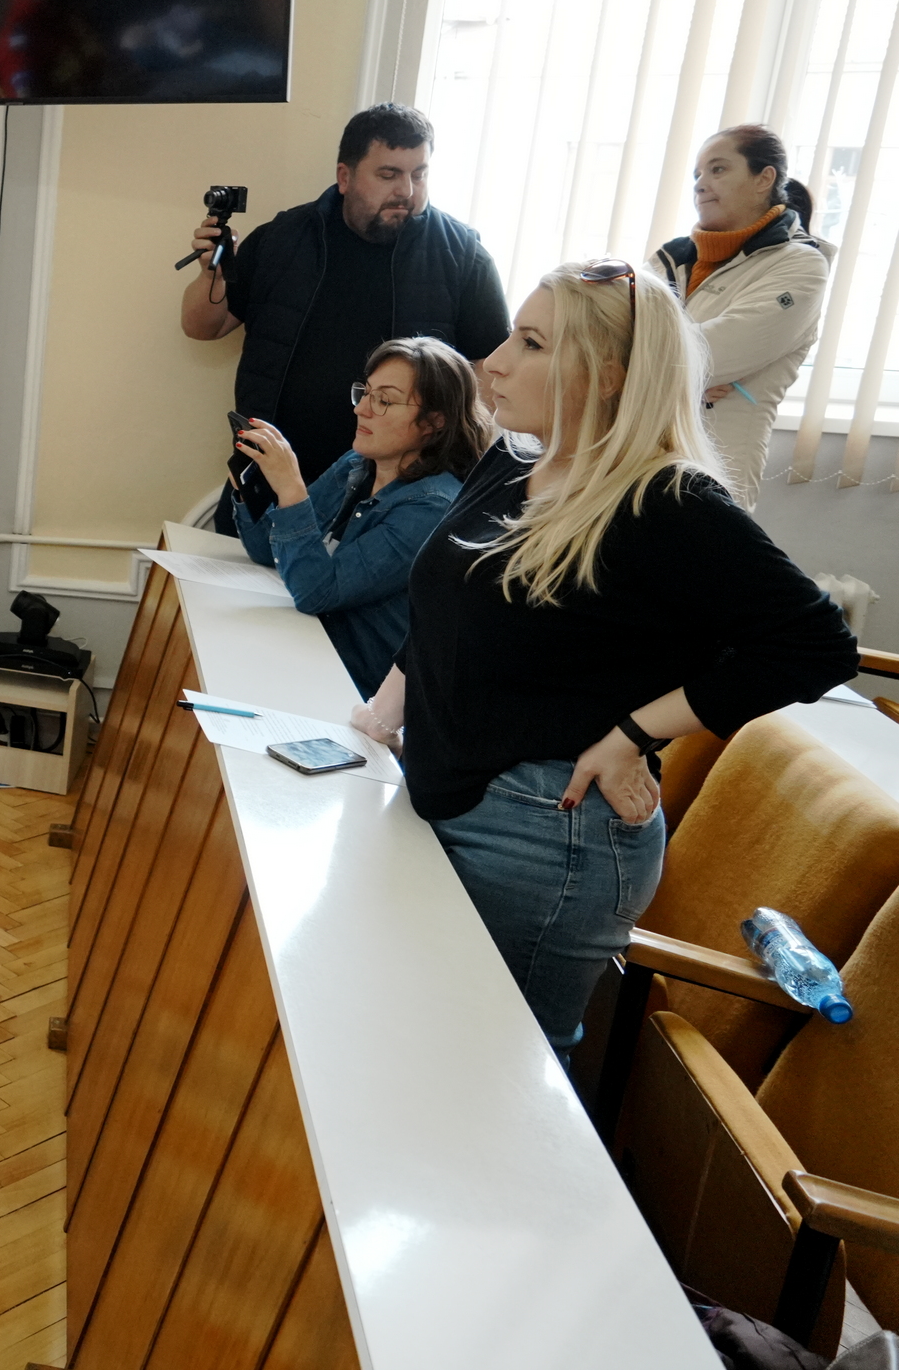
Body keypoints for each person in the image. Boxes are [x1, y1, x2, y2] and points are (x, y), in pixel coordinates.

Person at [352, 260, 856, 1057]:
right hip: (442, 780)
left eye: (531, 343)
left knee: (491, 1066)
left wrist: (632, 733)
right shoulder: (509, 463)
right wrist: (382, 713)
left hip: (547, 830)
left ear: (609, 373)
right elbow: (448, 611)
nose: (494, 362)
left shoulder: (667, 500)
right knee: (407, 1033)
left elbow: (815, 645)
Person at [181, 103, 510, 532]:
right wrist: (212, 273)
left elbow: (490, 374)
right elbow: (203, 327)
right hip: (268, 480)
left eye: (419, 174)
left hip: (394, 500)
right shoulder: (283, 238)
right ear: (345, 176)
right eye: (389, 174)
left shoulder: (462, 254)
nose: (406, 190)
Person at [232, 336, 488, 697]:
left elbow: (316, 592)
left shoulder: (431, 507)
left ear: (434, 422)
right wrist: (246, 485)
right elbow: (264, 549)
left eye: (384, 400)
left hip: (354, 686)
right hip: (307, 645)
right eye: (365, 393)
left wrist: (291, 489)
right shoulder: (357, 463)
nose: (361, 409)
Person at [652, 124, 832, 509]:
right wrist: (684, 380)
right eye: (698, 174)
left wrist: (640, 371)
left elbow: (715, 352)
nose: (700, 184)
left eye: (718, 169)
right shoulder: (668, 260)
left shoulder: (801, 266)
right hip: (631, 457)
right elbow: (601, 340)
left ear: (763, 179)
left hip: (712, 471)